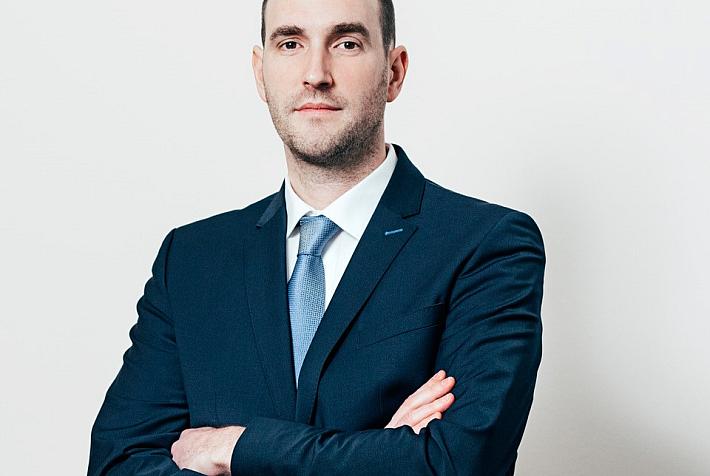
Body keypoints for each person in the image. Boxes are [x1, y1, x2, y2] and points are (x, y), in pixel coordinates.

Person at [88, 0, 546, 474]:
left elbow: (455, 464)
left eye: (346, 43)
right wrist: (378, 454)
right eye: (291, 43)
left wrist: (235, 448)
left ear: (394, 72)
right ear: (261, 73)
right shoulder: (191, 259)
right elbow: (116, 464)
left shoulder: (487, 246)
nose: (315, 74)